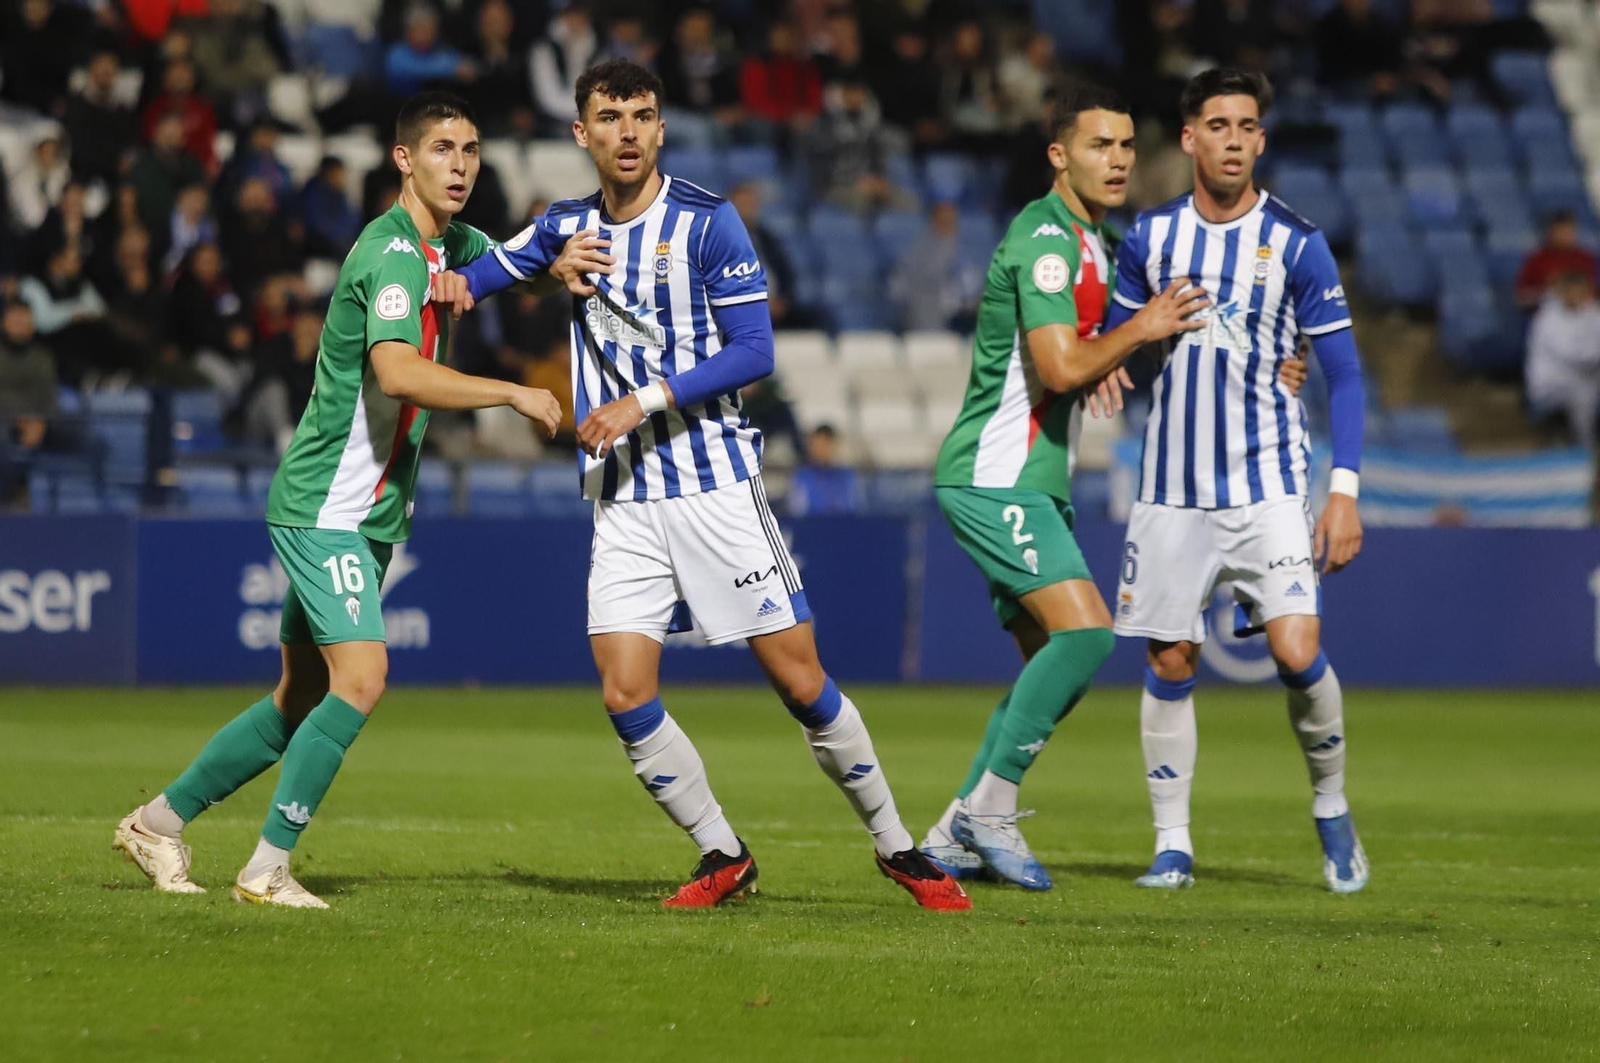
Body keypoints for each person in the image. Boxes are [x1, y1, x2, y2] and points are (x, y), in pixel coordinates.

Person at [439, 59, 969, 911]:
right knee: (622, 688)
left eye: (642, 115)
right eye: (609, 117)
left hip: (714, 483)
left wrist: (638, 402)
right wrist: (484, 275)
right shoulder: (566, 225)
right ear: (581, 133)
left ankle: (897, 845)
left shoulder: (708, 223)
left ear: (661, 128)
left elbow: (756, 352)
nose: (627, 132)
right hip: (624, 498)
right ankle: (722, 852)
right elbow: (484, 272)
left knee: (800, 680)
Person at [111, 92, 563, 909]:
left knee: (298, 698)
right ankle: (267, 867)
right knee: (362, 677)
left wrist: (560, 264)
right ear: (403, 159)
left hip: (370, 511)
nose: (460, 164)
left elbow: (505, 262)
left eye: (470, 148)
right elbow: (395, 371)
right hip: (330, 507)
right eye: (442, 149)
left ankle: (156, 822)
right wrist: (512, 392)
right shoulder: (390, 253)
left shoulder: (449, 242)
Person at [916, 85, 1209, 891]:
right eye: (1097, 145)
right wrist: (1133, 331)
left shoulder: (1096, 241)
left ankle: (950, 833)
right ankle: (990, 809)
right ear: (1059, 154)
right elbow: (1058, 366)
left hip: (1035, 479)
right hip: (996, 473)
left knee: (1050, 668)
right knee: (1086, 637)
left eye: (1125, 145)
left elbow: (1078, 359)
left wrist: (1105, 357)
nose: (1116, 159)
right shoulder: (1045, 238)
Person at [1104, 68, 1369, 894]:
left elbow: (1347, 376)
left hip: (1267, 482)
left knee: (1297, 649)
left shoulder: (1297, 241)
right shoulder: (1149, 238)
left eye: (1246, 125)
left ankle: (1331, 808)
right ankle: (1173, 845)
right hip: (1171, 488)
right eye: (1216, 125)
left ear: (1260, 139)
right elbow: (1123, 355)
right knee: (1172, 656)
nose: (1232, 139)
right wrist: (1130, 348)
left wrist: (1344, 490)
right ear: (1189, 138)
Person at [1525, 270, 1600, 448]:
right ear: (1562, 292)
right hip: (1552, 383)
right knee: (1582, 394)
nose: (1576, 296)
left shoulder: (1592, 312)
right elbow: (1574, 357)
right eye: (1571, 291)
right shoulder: (1547, 319)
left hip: (1587, 376)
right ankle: (1585, 448)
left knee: (1586, 388)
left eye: (1580, 291)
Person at [1516, 211, 1598, 312]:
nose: (1565, 235)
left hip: (1584, 312)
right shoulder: (1537, 259)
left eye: (1569, 231)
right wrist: (1548, 291)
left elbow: (1593, 290)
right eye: (1561, 231)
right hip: (1550, 313)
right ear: (1551, 232)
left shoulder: (1586, 257)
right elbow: (1522, 297)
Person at [788, 424, 859, 515]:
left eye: (824, 445)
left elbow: (853, 509)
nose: (820, 450)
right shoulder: (802, 477)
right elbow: (797, 512)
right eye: (816, 445)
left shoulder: (847, 477)